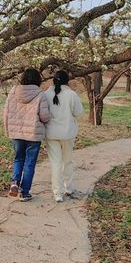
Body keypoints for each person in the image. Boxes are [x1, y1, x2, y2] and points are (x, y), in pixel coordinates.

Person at [3, 68, 50, 201]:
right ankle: (24, 192)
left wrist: (8, 130)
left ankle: (15, 182)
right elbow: (44, 117)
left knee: (18, 158)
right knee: (29, 163)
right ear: (38, 80)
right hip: (33, 135)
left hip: (17, 134)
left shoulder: (13, 91)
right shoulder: (41, 94)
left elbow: (6, 113)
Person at [44, 70, 84, 203]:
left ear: (53, 80)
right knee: (67, 161)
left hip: (51, 134)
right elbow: (78, 112)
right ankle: (69, 187)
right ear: (68, 81)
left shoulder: (46, 94)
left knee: (55, 163)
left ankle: (57, 193)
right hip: (67, 133)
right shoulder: (71, 95)